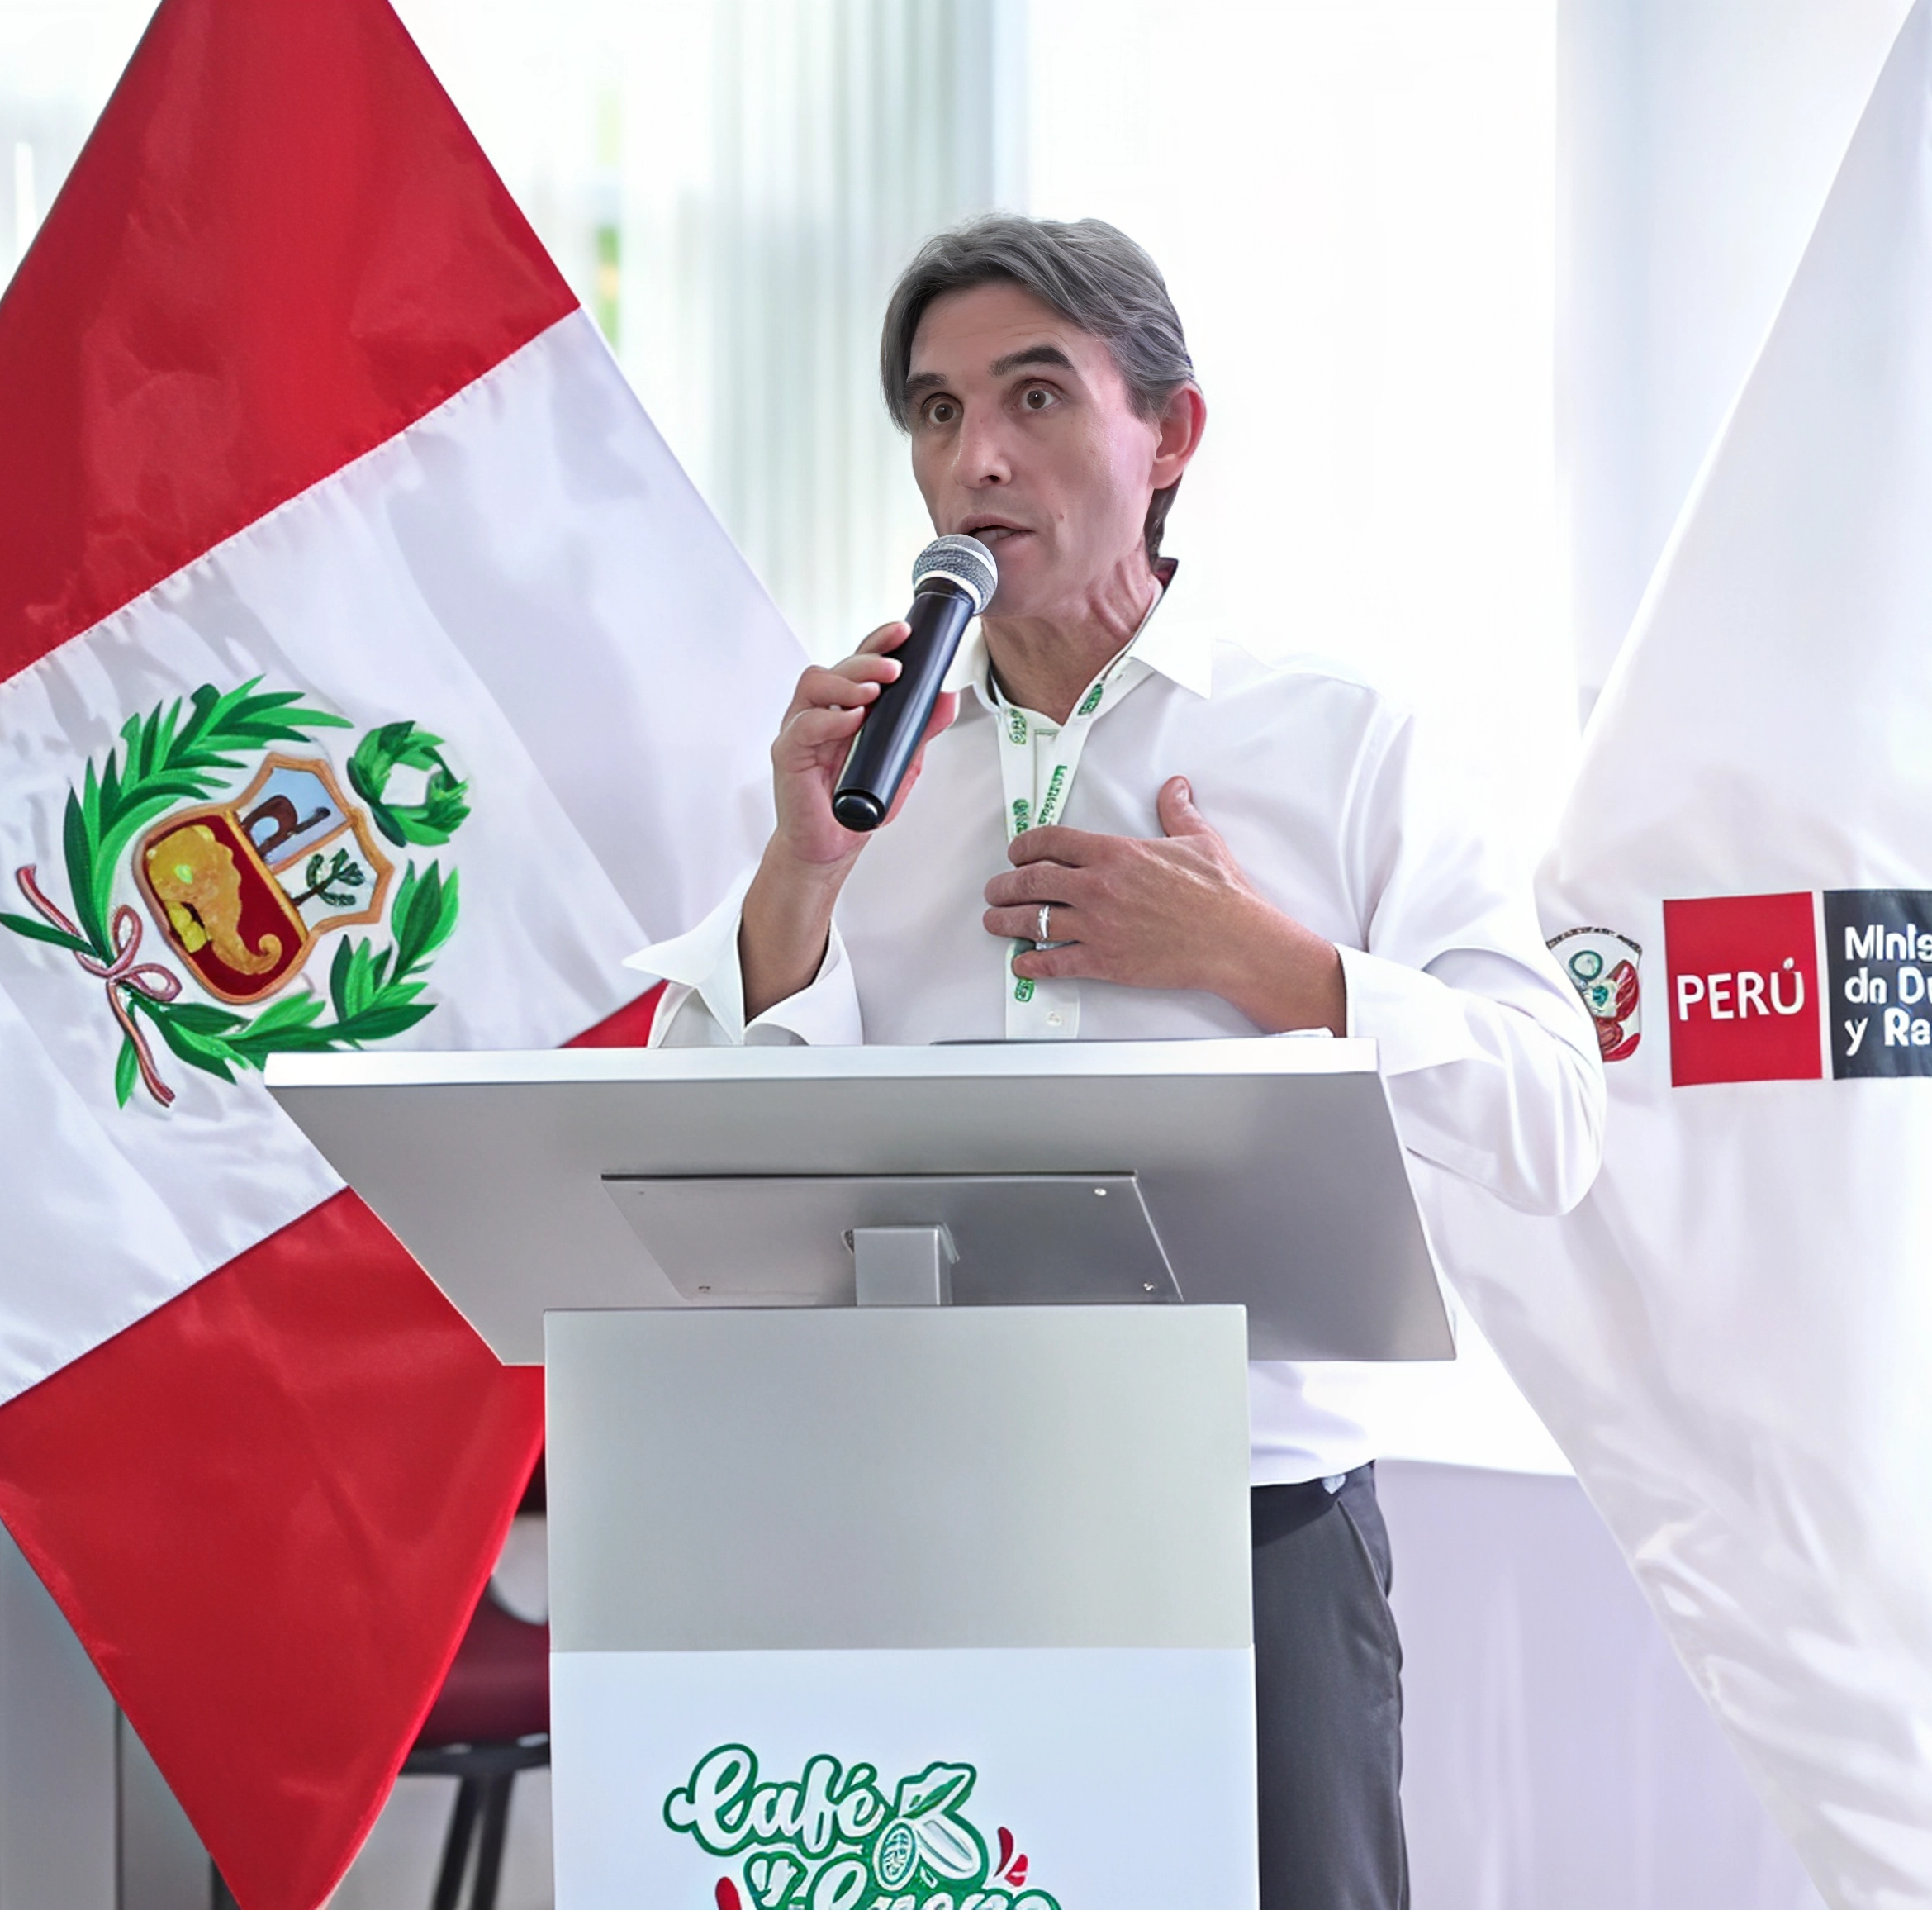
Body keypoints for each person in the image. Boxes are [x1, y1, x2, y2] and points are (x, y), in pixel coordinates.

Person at [630, 213, 1604, 1910]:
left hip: (1250, 1537)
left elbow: (1550, 1120)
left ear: (1172, 435)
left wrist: (1264, 963)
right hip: (921, 1525)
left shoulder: (1339, 740)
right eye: (936, 412)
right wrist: (799, 873)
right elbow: (684, 1138)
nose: (975, 460)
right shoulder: (857, 765)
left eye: (1034, 397)